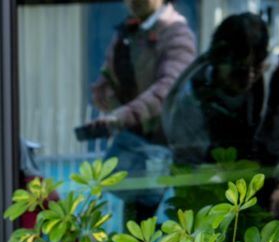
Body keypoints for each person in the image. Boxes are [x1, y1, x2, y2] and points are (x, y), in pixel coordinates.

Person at [164, 12, 279, 220]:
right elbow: (185, 157)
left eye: (256, 69)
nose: (248, 78)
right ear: (217, 61)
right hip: (216, 186)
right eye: (239, 70)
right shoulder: (194, 92)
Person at [84, 0, 197, 222]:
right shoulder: (128, 32)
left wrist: (123, 115)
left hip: (176, 149)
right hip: (140, 148)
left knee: (184, 225)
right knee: (136, 228)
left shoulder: (176, 33)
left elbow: (168, 89)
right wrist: (105, 95)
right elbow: (109, 78)